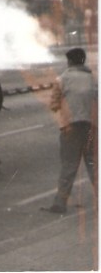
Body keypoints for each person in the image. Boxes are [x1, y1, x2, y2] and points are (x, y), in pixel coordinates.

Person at [43, 48, 97, 214]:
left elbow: (53, 105)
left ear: (70, 62)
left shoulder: (62, 79)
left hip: (70, 128)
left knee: (69, 167)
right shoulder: (92, 79)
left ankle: (60, 203)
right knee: (94, 166)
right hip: (91, 128)